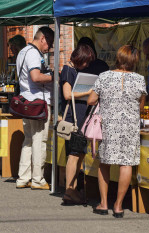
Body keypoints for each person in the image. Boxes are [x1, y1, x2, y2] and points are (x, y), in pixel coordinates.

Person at [88, 45, 146, 218]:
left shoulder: (104, 77)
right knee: (126, 163)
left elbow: (91, 100)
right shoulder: (139, 79)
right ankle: (118, 206)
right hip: (129, 126)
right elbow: (141, 105)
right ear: (134, 60)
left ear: (118, 58)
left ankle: (104, 203)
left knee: (104, 163)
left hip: (108, 126)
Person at [15, 27, 54, 190]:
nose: (50, 48)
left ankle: (23, 178)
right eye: (49, 43)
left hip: (27, 102)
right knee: (40, 140)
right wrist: (54, 77)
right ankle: (38, 179)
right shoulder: (33, 53)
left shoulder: (23, 52)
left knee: (29, 140)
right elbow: (36, 76)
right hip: (38, 103)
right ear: (43, 38)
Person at [60, 44, 96, 204]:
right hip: (73, 118)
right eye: (86, 62)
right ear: (79, 58)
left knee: (79, 154)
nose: (87, 65)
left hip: (80, 117)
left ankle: (73, 190)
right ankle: (69, 190)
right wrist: (88, 92)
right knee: (74, 154)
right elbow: (67, 95)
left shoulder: (74, 70)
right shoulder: (68, 70)